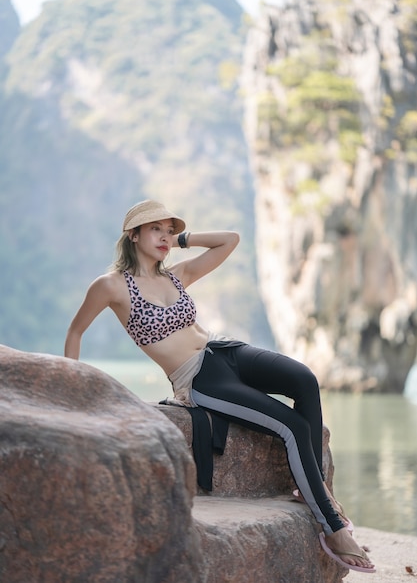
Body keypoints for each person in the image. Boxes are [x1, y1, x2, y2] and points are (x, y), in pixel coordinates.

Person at [65, 199, 375, 574]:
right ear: (133, 235)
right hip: (198, 378)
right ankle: (334, 527)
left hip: (225, 351)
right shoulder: (111, 285)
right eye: (156, 230)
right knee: (291, 426)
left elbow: (230, 240)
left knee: (304, 380)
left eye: (169, 229)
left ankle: (318, 490)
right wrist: (72, 384)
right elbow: (76, 330)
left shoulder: (176, 275)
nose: (165, 236)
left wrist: (181, 240)